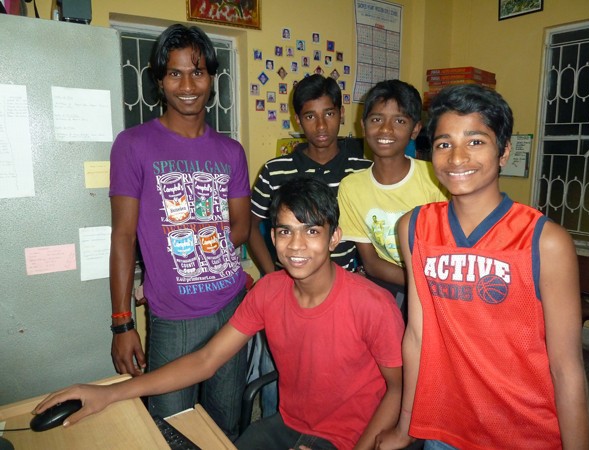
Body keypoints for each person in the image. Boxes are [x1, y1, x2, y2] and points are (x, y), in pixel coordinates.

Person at [34, 178, 405, 450]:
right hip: (288, 424)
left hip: (352, 437)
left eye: (311, 231)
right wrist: (110, 393)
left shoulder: (372, 305)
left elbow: (398, 388)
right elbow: (206, 359)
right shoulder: (269, 291)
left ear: (334, 237)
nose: (296, 246)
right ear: (272, 236)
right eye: (285, 232)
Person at [376, 84, 589, 449]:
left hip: (525, 433)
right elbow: (417, 336)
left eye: (475, 141)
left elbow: (567, 367)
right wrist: (405, 427)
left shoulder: (544, 241)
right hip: (444, 429)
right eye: (444, 144)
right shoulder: (414, 228)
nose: (457, 158)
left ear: (504, 151)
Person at [108, 24, 250, 439]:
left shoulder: (231, 151)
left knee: (225, 425)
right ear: (159, 80)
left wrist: (200, 253)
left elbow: (241, 227)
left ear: (212, 78)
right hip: (173, 317)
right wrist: (122, 323)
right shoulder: (133, 145)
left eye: (198, 72)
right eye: (175, 73)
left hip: (232, 309)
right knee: (172, 430)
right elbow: (123, 237)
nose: (188, 86)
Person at [247, 73, 373, 418]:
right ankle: (276, 428)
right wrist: (271, 272)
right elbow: (250, 226)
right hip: (289, 294)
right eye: (310, 115)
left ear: (341, 114)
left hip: (345, 293)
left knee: (337, 381)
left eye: (329, 113)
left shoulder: (363, 171)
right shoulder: (275, 170)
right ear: (297, 120)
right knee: (277, 376)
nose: (320, 125)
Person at [337, 80, 447, 307]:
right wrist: (419, 284)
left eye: (399, 121)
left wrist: (431, 286)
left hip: (440, 285)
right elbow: (371, 262)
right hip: (391, 284)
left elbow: (447, 251)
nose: (385, 129)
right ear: (363, 126)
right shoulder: (351, 187)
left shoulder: (435, 178)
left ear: (415, 129)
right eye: (376, 119)